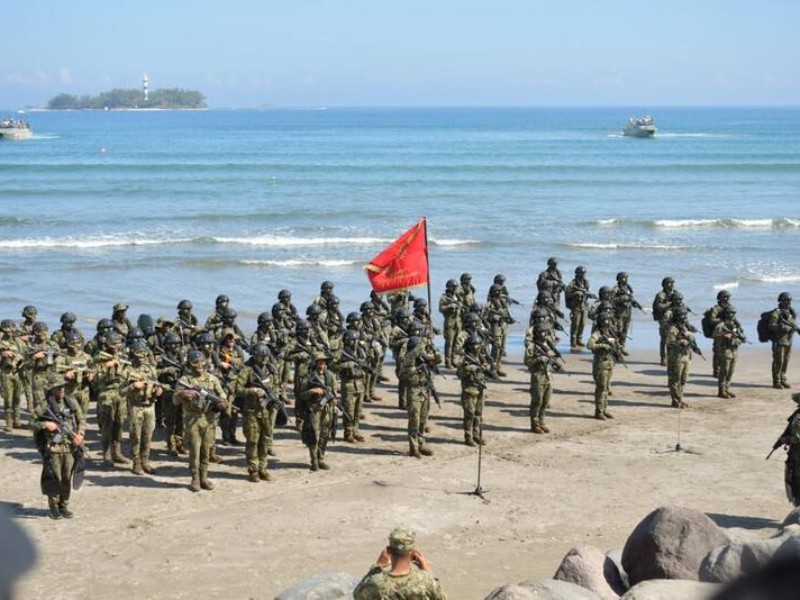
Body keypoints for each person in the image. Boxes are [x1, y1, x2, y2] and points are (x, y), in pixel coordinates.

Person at [32, 375, 86, 519]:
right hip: (54, 447)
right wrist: (45, 425)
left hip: (70, 447)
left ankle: (64, 505)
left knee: (67, 477)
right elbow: (32, 422)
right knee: (54, 477)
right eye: (58, 387)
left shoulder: (72, 403)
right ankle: (54, 507)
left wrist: (80, 435)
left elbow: (81, 420)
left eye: (63, 386)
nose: (62, 389)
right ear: (51, 389)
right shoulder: (44, 406)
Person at [174, 350, 228, 492]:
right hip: (193, 419)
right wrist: (183, 394)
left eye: (201, 362)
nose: (199, 365)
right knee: (194, 451)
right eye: (195, 363)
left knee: (206, 450)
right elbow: (175, 399)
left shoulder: (212, 379)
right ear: (189, 364)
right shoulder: (185, 380)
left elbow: (222, 394)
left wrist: (223, 402)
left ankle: (204, 476)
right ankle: (195, 478)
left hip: (209, 420)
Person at [353, 527, 446, 600]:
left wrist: (376, 567)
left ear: (389, 551)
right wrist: (426, 571)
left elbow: (357, 594)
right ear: (413, 552)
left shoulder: (376, 583)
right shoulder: (426, 581)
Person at [234, 343, 281, 482]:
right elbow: (237, 389)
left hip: (267, 410)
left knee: (265, 440)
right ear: (255, 356)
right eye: (262, 357)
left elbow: (276, 386)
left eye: (266, 356)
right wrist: (251, 391)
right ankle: (253, 470)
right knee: (253, 441)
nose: (265, 359)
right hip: (252, 411)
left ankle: (263, 468)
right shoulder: (247, 370)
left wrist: (275, 398)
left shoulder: (271, 370)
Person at [121, 340, 163, 475]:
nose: (141, 356)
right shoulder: (127, 369)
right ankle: (136, 463)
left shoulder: (150, 368)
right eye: (138, 353)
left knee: (147, 435)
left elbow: (156, 383)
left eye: (143, 353)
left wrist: (158, 390)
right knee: (135, 436)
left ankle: (145, 461)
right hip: (135, 407)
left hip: (150, 406)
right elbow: (120, 391)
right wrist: (133, 386)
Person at [297, 352, 338, 471]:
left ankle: (321, 458)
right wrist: (313, 391)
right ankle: (314, 460)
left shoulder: (330, 375)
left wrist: (334, 399)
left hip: (327, 409)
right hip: (314, 410)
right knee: (314, 435)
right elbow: (301, 395)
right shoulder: (308, 377)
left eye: (324, 362)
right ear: (315, 363)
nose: (322, 364)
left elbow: (334, 391)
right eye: (320, 362)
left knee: (324, 435)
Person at [401, 336, 441, 457]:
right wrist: (419, 346)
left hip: (425, 390)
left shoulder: (424, 359)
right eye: (420, 347)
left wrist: (434, 349)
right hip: (414, 391)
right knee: (414, 419)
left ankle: (421, 444)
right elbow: (410, 358)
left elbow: (438, 360)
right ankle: (414, 448)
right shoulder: (408, 359)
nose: (422, 349)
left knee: (423, 420)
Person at [524, 323, 560, 433]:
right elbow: (527, 362)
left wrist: (553, 360)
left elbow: (553, 357)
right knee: (537, 401)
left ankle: (542, 422)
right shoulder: (532, 346)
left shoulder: (548, 345)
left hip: (548, 375)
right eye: (541, 332)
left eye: (545, 332)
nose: (544, 334)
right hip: (538, 375)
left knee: (546, 401)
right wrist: (539, 359)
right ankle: (535, 425)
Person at [456, 334, 491, 446]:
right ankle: (468, 437)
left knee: (478, 414)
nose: (478, 347)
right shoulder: (464, 359)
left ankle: (476, 435)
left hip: (480, 389)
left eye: (479, 344)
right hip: (469, 390)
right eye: (476, 345)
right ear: (470, 346)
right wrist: (470, 368)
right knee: (469, 414)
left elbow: (486, 371)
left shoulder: (481, 357)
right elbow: (459, 373)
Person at [587, 314, 621, 420]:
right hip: (601, 364)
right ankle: (599, 411)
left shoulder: (610, 333)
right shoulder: (597, 334)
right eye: (606, 322)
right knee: (601, 388)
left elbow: (616, 345)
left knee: (606, 388)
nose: (608, 324)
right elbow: (589, 345)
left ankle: (604, 409)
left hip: (609, 363)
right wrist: (602, 345)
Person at [665, 307, 695, 408]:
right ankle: (675, 400)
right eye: (683, 315)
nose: (685, 317)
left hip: (686, 356)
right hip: (676, 357)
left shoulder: (685, 327)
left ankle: (680, 398)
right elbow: (670, 343)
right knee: (675, 380)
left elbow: (691, 339)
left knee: (683, 379)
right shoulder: (673, 329)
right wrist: (682, 342)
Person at [713, 307, 744, 399]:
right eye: (730, 313)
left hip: (734, 350)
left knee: (731, 371)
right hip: (725, 351)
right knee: (724, 371)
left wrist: (738, 338)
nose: (732, 315)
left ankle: (726, 389)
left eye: (734, 313)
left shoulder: (735, 324)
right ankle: (721, 391)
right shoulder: (721, 325)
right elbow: (715, 335)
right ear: (726, 314)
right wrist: (724, 335)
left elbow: (741, 335)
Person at [768, 292, 797, 389]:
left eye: (789, 300)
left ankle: (783, 379)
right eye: (786, 300)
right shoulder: (777, 312)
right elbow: (771, 326)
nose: (788, 302)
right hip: (779, 341)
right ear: (781, 301)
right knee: (778, 361)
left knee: (786, 361)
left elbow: (793, 323)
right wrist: (783, 328)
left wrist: (793, 329)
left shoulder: (791, 312)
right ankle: (776, 381)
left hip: (788, 340)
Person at [564, 265, 593, 349]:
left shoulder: (585, 282)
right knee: (575, 324)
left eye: (584, 273)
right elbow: (568, 293)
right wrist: (577, 293)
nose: (583, 274)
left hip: (583, 306)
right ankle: (573, 341)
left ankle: (579, 339)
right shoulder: (572, 284)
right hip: (575, 307)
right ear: (577, 274)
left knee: (582, 324)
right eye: (581, 273)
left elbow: (586, 292)